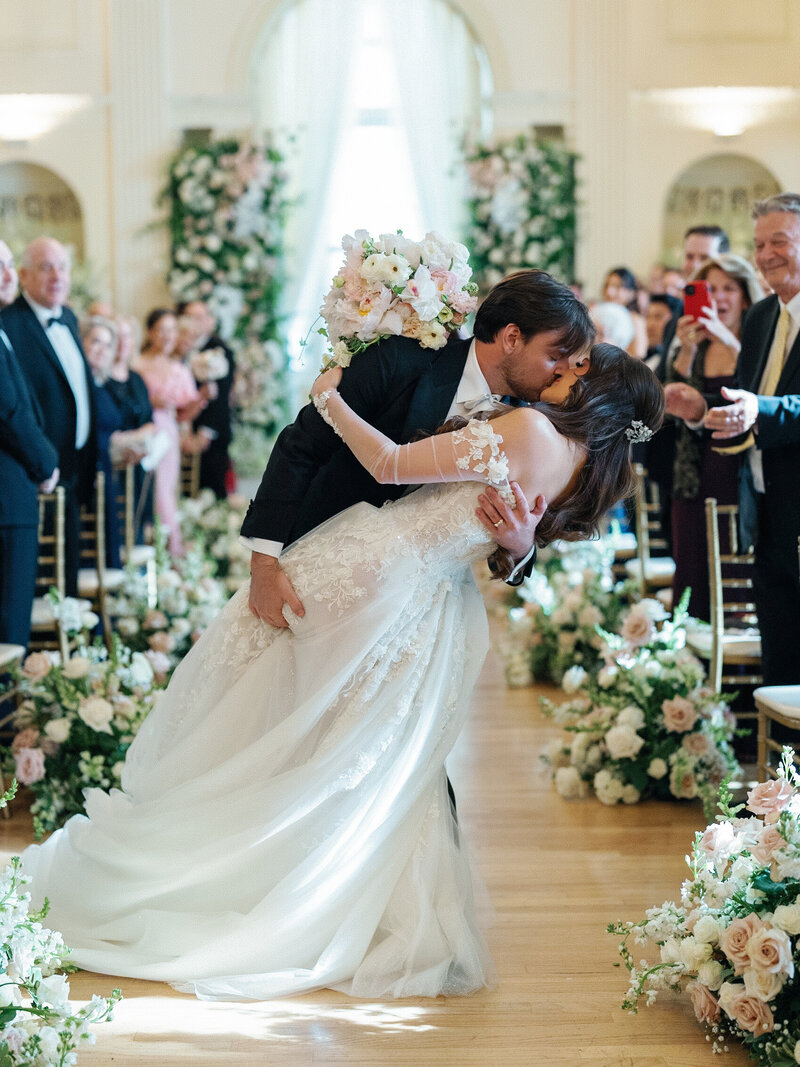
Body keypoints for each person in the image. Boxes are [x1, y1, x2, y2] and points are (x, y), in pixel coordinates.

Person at [22, 342, 664, 999]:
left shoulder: (528, 426)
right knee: (363, 761)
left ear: (602, 390)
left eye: (581, 367)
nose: (565, 370)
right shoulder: (587, 471)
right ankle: (344, 901)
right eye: (566, 357)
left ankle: (242, 875)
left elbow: (389, 464)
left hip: (374, 573)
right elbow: (508, 537)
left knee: (291, 726)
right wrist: (523, 546)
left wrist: (329, 397)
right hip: (429, 605)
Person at [242, 270, 596, 628]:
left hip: (414, 612)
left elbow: (502, 530)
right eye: (554, 357)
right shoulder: (400, 360)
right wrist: (265, 564)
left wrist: (521, 546)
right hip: (317, 571)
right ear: (512, 338)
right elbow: (300, 447)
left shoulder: (526, 425)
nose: (560, 374)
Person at [666, 195, 800, 685]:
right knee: (779, 649)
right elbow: (740, 404)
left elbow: (762, 407)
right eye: (760, 243)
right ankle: (779, 760)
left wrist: (758, 410)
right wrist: (700, 411)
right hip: (760, 501)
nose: (766, 254)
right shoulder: (764, 316)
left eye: (779, 241)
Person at [665, 255, 763, 620]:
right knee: (692, 567)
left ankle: (737, 671)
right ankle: (691, 664)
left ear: (745, 297)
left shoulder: (758, 345)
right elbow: (670, 403)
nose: (719, 297)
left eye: (728, 288)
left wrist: (730, 341)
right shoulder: (696, 344)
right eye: (711, 289)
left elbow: (761, 392)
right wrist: (688, 350)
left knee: (737, 571)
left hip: (740, 473)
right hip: (694, 472)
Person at [1, 237, 96, 596]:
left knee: (68, 575)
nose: (56, 275)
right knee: (36, 586)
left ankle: (69, 650)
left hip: (71, 469)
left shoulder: (68, 317)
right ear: (23, 275)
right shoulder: (8, 323)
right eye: (45, 267)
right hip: (34, 473)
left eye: (62, 266)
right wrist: (42, 462)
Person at [0, 239, 59, 648]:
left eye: (8, 265)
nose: (7, 277)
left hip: (12, 495)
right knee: (9, 630)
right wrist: (47, 463)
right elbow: (8, 413)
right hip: (7, 501)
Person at [134, 308, 209, 555]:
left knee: (164, 491)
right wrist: (150, 403)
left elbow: (182, 413)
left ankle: (169, 551)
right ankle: (141, 546)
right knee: (141, 491)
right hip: (140, 432)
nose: (168, 336)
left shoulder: (179, 369)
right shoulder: (137, 364)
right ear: (150, 332)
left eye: (172, 330)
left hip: (167, 435)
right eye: (162, 330)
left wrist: (200, 400)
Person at [177, 299, 236, 499]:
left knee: (209, 490)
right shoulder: (180, 348)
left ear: (209, 321)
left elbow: (220, 398)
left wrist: (205, 432)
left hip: (211, 431)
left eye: (201, 317)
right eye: (191, 317)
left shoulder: (219, 349)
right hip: (183, 427)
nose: (196, 322)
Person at [601, 267, 648, 359]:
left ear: (631, 292)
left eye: (617, 286)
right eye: (607, 286)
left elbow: (639, 354)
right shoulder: (599, 316)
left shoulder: (635, 320)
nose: (609, 292)